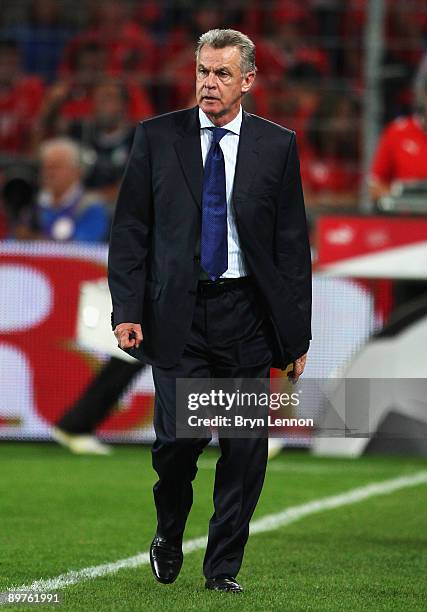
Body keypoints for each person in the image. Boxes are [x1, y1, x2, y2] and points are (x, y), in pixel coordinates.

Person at [108, 28, 311, 593]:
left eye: (222, 74)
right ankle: (169, 531)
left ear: (247, 80)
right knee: (177, 446)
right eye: (202, 71)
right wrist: (127, 307)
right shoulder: (156, 137)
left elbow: (292, 247)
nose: (208, 83)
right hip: (179, 317)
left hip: (247, 317)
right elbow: (129, 231)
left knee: (244, 453)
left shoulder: (277, 145)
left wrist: (295, 335)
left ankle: (221, 569)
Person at [37, 138, 109, 241]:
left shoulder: (91, 206)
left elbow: (85, 247)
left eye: (56, 167)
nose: (49, 173)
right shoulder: (34, 204)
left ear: (77, 171)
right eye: (46, 167)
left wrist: (35, 239)